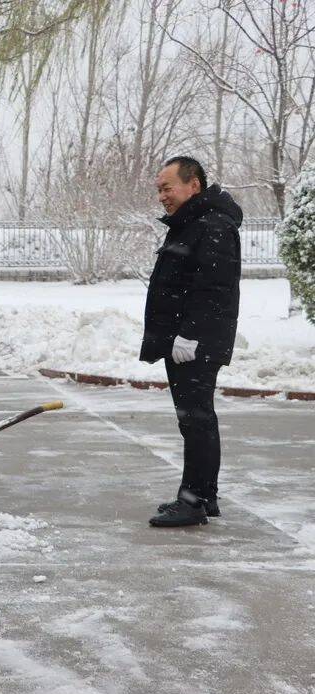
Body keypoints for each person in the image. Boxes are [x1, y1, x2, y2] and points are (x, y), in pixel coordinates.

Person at [144, 156, 242, 528]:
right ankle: (202, 495)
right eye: (159, 189)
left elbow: (214, 289)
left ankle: (195, 499)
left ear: (194, 185)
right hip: (186, 340)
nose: (162, 196)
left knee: (197, 419)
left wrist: (190, 335)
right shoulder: (194, 223)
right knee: (194, 420)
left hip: (194, 343)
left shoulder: (211, 225)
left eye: (167, 187)